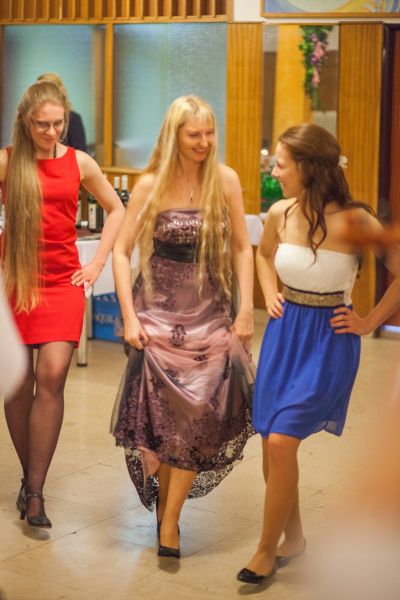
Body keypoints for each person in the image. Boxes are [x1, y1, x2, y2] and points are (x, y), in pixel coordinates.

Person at [237, 123, 400, 585]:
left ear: (308, 168)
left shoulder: (356, 221)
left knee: (281, 441)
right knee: (272, 442)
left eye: (280, 165)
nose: (274, 172)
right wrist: (269, 291)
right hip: (283, 334)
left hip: (329, 340)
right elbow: (263, 255)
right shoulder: (280, 213)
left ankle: (265, 551)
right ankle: (294, 539)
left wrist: (369, 321)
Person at [111, 95, 255, 559]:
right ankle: (167, 512)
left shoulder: (225, 180)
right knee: (167, 419)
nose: (204, 142)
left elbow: (242, 247)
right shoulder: (150, 184)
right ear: (174, 135)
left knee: (201, 412)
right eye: (194, 134)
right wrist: (129, 316)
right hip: (157, 310)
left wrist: (246, 311)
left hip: (211, 310)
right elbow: (120, 252)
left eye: (210, 133)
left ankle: (170, 519)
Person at [0, 80, 124, 528]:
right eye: (42, 125)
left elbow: (117, 209)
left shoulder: (79, 162)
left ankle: (35, 492)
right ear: (25, 121)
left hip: (61, 282)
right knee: (17, 385)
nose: (51, 132)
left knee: (51, 374)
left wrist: (97, 264)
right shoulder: (8, 161)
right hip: (16, 282)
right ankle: (29, 477)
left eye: (58, 124)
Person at [36, 72, 87, 152]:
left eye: (58, 123)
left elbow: (80, 151)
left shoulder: (73, 118)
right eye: (42, 123)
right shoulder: (31, 118)